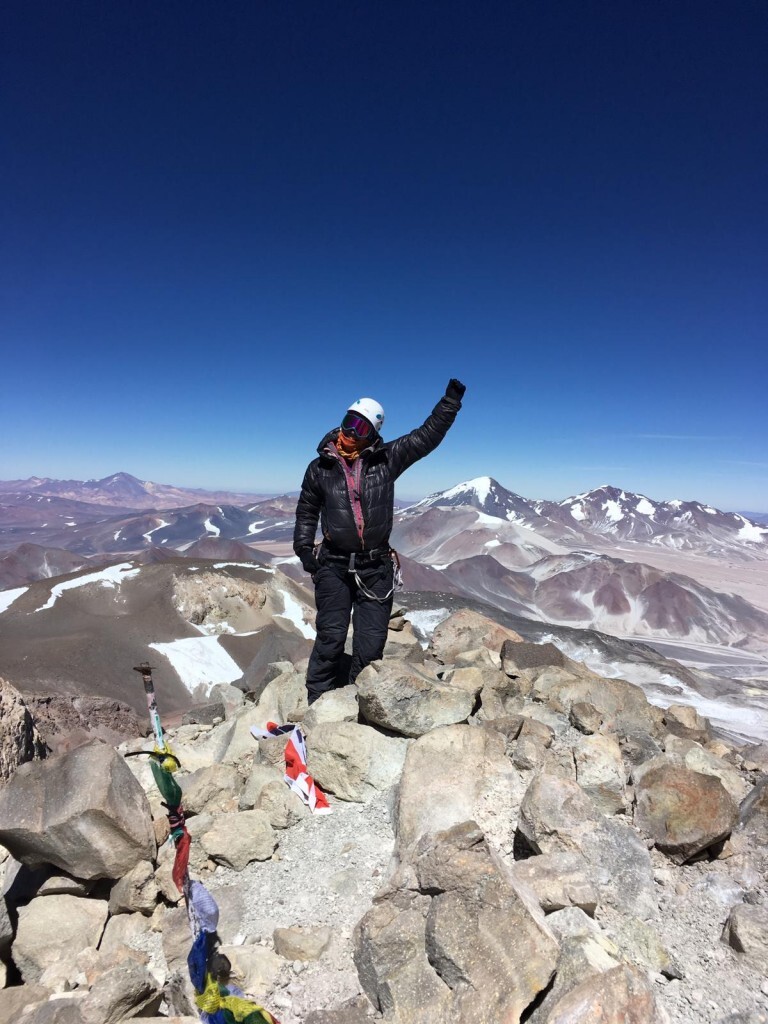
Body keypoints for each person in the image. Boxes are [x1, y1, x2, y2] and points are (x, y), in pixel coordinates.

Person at [293, 379, 466, 704]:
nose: (349, 431)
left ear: (372, 433)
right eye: (348, 421)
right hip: (333, 566)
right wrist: (304, 548)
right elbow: (306, 511)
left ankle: (360, 702)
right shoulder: (320, 468)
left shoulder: (386, 459)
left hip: (376, 568)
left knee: (370, 645)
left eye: (359, 426)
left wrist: (450, 403)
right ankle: (316, 702)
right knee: (330, 636)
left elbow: (425, 437)